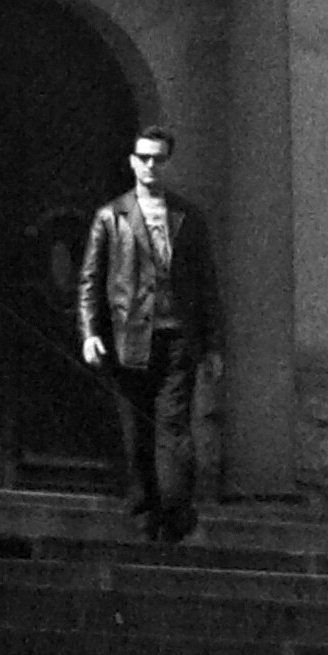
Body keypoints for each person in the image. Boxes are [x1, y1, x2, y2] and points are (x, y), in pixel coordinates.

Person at [75, 127, 211, 541]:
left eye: (159, 159)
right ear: (133, 162)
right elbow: (91, 280)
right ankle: (142, 515)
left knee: (174, 429)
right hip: (129, 341)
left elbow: (206, 284)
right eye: (145, 158)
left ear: (168, 164)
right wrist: (90, 332)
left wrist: (212, 345)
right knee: (135, 429)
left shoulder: (188, 218)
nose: (151, 165)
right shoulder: (111, 216)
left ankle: (176, 511)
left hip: (177, 340)